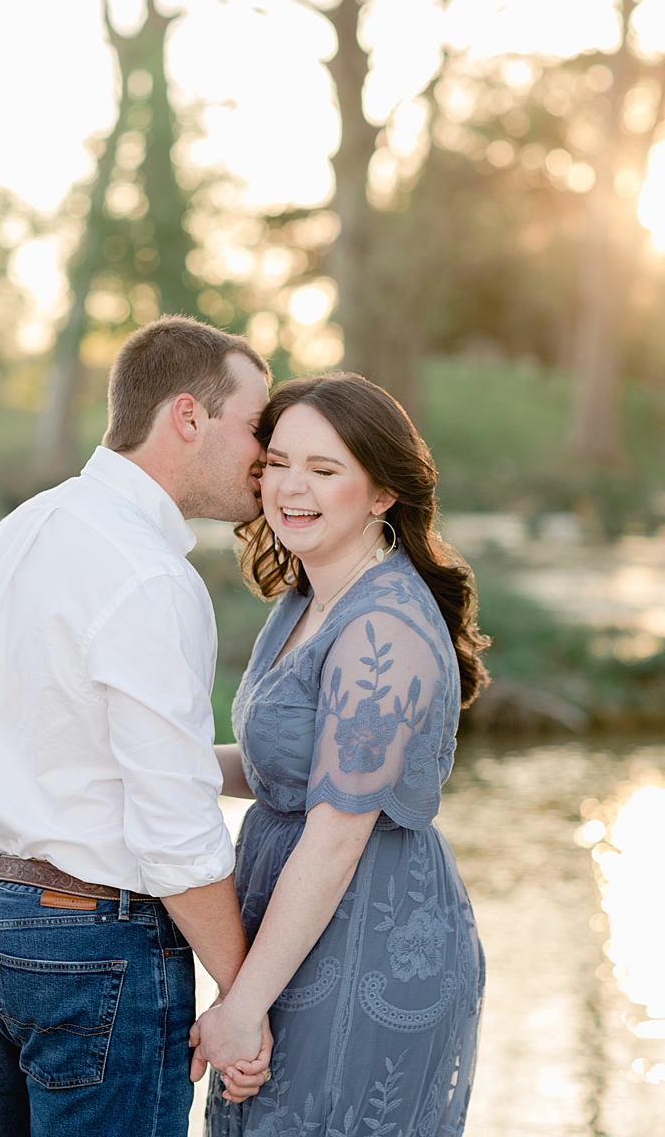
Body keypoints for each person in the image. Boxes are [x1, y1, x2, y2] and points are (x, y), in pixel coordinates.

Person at [0, 316, 273, 1137]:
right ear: (188, 416)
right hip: (89, 949)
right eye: (258, 426)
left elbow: (59, 751)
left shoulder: (16, 534)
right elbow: (175, 828)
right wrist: (243, 995)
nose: (269, 456)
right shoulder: (148, 573)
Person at [193, 372, 489, 1137]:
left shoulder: (379, 630)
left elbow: (335, 835)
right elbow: (281, 772)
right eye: (279, 463)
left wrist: (242, 1004)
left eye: (325, 471)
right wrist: (154, 767)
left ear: (383, 493)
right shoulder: (305, 597)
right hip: (293, 933)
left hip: (369, 941)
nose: (292, 488)